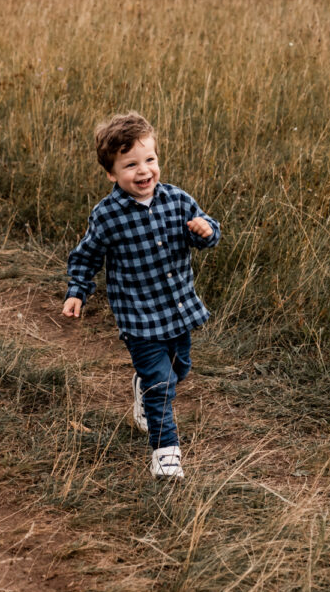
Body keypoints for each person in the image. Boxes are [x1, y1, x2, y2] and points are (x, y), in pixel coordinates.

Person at [61, 112, 220, 479]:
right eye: (130, 164)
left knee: (180, 369)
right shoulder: (107, 215)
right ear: (112, 174)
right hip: (139, 316)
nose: (144, 171)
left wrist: (205, 231)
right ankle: (166, 453)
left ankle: (143, 389)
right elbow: (87, 256)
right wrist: (78, 292)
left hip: (177, 309)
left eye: (150, 160)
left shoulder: (177, 201)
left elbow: (207, 231)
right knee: (161, 383)